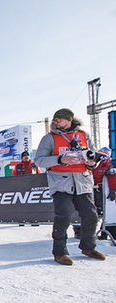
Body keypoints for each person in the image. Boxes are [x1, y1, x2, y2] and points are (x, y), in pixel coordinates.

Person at [34, 108, 105, 265]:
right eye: (54, 120)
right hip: (60, 182)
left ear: (69, 120)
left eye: (58, 120)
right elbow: (39, 160)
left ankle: (88, 247)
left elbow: (93, 156)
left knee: (91, 216)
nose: (55, 123)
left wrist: (92, 163)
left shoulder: (84, 135)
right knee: (63, 216)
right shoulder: (49, 138)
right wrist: (60, 160)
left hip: (82, 182)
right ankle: (59, 252)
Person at [92, 147, 116, 240]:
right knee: (88, 212)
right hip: (89, 190)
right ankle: (83, 233)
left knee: (107, 212)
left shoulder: (107, 165)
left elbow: (112, 176)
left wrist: (113, 190)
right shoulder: (91, 162)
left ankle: (106, 233)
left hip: (102, 191)